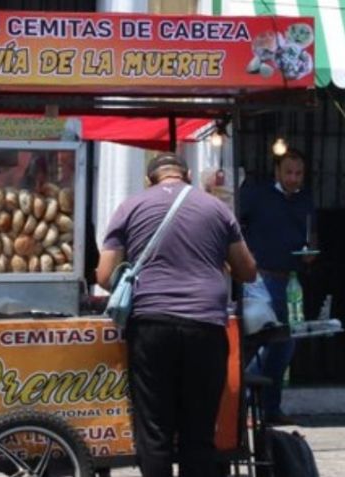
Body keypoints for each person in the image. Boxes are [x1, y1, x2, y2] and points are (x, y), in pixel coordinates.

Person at [96, 153, 256, 477]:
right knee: (198, 432)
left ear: (149, 179)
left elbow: (104, 274)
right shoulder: (216, 209)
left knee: (154, 432)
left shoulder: (131, 206)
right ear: (187, 175)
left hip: (151, 326)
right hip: (205, 327)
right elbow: (247, 270)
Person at [239, 148, 316, 425]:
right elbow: (235, 225)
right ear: (277, 172)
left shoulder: (305, 200)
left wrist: (310, 252)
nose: (294, 179)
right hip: (258, 278)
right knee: (261, 341)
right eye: (289, 173)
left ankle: (269, 407)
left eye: (298, 173)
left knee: (283, 345)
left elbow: (310, 234)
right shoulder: (257, 196)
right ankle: (245, 403)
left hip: (287, 279)